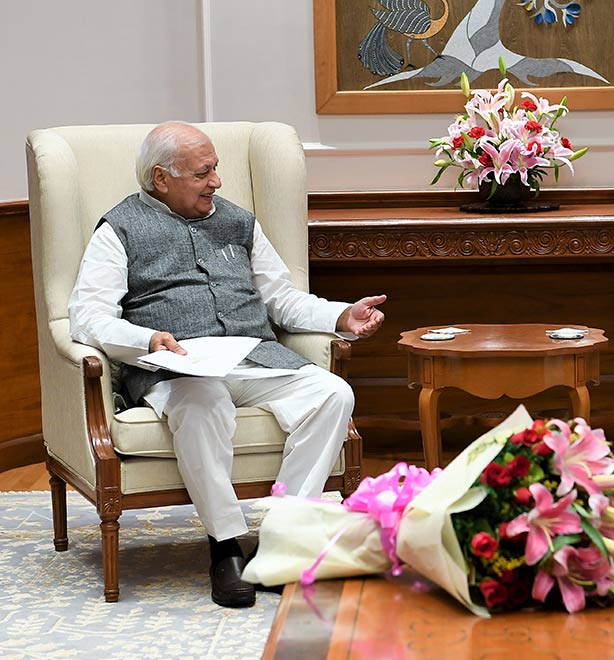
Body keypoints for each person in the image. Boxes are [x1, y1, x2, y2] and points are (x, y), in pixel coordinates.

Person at [68, 121, 387, 608]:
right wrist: (145, 338)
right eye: (203, 172)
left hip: (252, 356)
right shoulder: (119, 230)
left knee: (332, 393)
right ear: (160, 178)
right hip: (175, 368)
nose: (217, 181)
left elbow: (281, 299)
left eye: (216, 169)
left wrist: (340, 314)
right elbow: (87, 316)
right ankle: (226, 547)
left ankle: (283, 537)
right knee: (202, 401)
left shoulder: (238, 221)